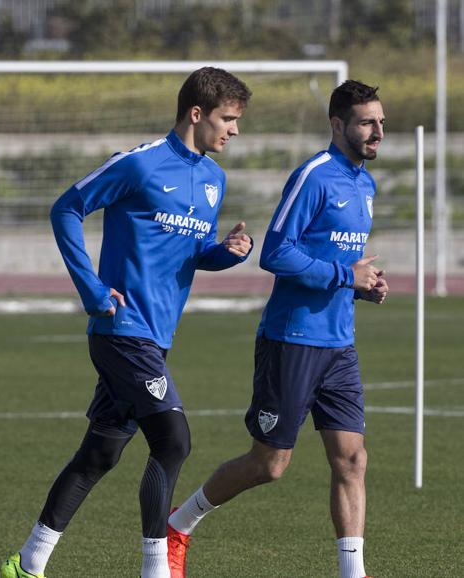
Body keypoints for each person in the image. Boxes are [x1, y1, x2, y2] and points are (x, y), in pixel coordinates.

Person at [1, 67, 252, 578]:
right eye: (228, 118)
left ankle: (27, 564)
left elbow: (188, 252)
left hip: (157, 338)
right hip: (121, 331)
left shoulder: (213, 179)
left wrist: (224, 254)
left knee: (100, 453)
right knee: (174, 440)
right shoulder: (138, 165)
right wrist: (91, 289)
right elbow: (66, 209)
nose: (235, 130)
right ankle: (155, 570)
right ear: (196, 113)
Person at [167, 80, 389, 578]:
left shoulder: (365, 185)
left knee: (352, 459)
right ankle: (178, 525)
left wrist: (361, 285)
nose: (378, 132)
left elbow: (338, 263)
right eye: (367, 123)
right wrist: (342, 276)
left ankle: (353, 572)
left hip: (340, 344)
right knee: (270, 464)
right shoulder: (314, 176)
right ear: (337, 125)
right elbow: (277, 253)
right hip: (291, 340)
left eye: (381, 123)